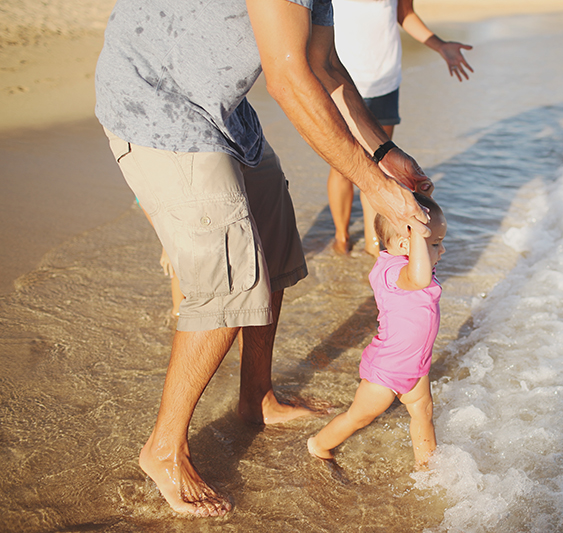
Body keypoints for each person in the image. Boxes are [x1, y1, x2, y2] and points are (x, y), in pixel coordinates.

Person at [95, 0, 434, 517]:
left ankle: (257, 397)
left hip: (221, 108)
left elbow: (324, 66)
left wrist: (383, 154)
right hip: (157, 103)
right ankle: (162, 449)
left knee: (273, 250)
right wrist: (374, 188)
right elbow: (288, 79)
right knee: (231, 284)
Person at [308, 193, 446, 469]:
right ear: (408, 243)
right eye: (436, 244)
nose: (442, 251)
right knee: (358, 417)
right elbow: (417, 277)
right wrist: (419, 231)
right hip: (388, 370)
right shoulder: (395, 272)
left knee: (423, 413)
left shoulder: (412, 268)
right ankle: (319, 445)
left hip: (415, 366)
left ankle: (427, 467)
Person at [327, 0, 472, 256]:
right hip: (339, 83)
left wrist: (439, 45)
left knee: (379, 165)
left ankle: (374, 245)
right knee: (342, 167)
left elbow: (405, 14)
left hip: (384, 80)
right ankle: (342, 237)